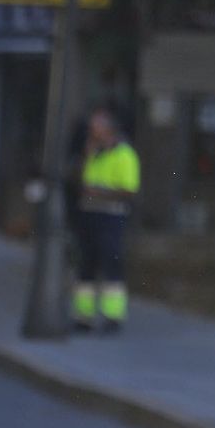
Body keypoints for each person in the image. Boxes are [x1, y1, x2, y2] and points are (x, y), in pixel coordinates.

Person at [74, 106, 140, 334]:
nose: (92, 133)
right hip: (89, 215)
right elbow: (83, 181)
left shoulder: (125, 155)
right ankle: (84, 317)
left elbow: (129, 191)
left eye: (96, 129)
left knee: (111, 265)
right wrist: (87, 155)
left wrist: (97, 193)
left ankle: (113, 317)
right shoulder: (94, 152)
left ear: (108, 130)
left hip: (111, 216)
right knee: (86, 267)